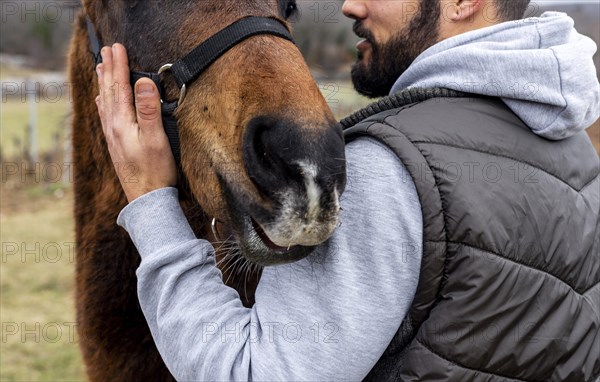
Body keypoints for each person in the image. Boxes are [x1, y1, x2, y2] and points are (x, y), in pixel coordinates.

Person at [95, 0, 600, 380]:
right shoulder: (570, 144)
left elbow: (249, 372)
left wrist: (151, 204)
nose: (349, 5)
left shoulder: (391, 169)